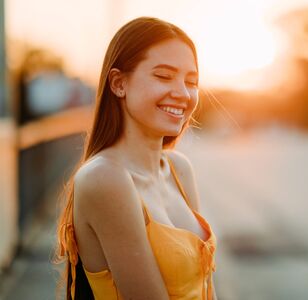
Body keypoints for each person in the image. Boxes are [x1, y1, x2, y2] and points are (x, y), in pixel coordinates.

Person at [54, 17, 217, 300]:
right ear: (119, 84)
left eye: (191, 81)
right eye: (164, 76)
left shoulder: (179, 169)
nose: (182, 93)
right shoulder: (105, 179)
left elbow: (207, 288)